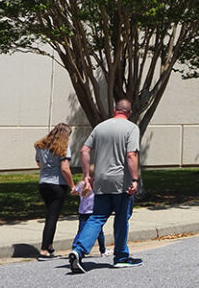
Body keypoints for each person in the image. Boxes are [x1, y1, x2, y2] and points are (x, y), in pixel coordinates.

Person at [68, 99, 142, 273]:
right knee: (121, 218)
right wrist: (135, 179)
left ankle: (78, 251)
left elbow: (84, 151)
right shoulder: (131, 128)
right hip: (120, 181)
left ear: (114, 110)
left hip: (101, 180)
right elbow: (131, 155)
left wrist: (87, 176)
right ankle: (121, 257)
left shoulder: (100, 127)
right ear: (129, 113)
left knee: (97, 218)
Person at [34, 123, 75, 260]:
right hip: (58, 185)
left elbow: (39, 163)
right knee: (52, 218)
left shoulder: (40, 146)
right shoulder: (63, 149)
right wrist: (72, 185)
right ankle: (44, 250)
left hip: (43, 184)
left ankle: (49, 246)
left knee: (50, 214)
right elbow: (65, 168)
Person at [71, 179, 106, 257]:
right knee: (99, 232)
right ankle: (103, 250)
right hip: (94, 211)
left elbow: (73, 192)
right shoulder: (98, 184)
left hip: (83, 212)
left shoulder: (81, 184)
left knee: (81, 231)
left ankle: (75, 248)